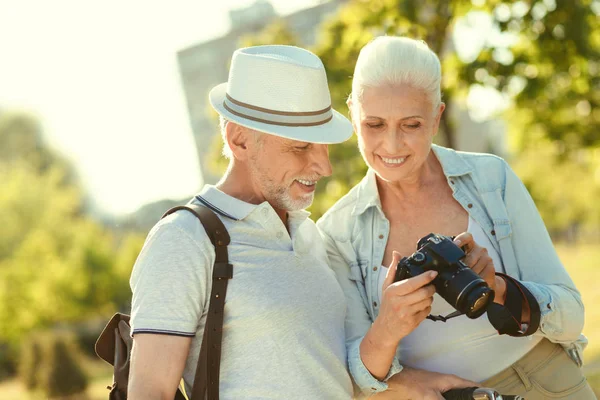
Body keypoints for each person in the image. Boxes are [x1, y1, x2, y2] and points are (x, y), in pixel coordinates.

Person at [316, 36, 594, 400]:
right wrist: (388, 326)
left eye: (412, 125)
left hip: (545, 382)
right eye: (375, 124)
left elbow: (572, 314)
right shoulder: (336, 233)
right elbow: (354, 380)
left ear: (436, 118)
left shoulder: (491, 179)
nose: (393, 145)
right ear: (352, 113)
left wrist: (499, 288)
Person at [126, 45, 357, 399]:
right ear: (240, 140)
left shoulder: (310, 234)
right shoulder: (184, 240)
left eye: (324, 147)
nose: (324, 168)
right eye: (300, 147)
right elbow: (150, 393)